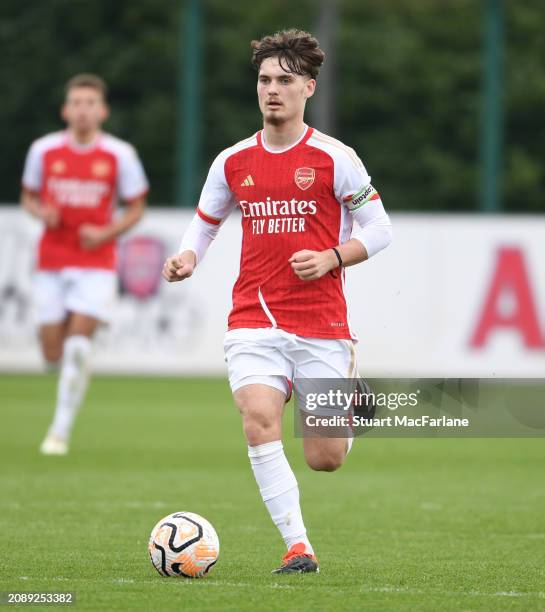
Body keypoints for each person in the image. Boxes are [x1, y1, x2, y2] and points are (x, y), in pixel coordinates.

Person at [163, 29, 392, 573]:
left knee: (325, 459)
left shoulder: (337, 159)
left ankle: (351, 399)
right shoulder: (232, 161)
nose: (272, 90)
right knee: (258, 418)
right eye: (265, 80)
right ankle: (298, 546)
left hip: (320, 322)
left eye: (285, 81)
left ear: (309, 87)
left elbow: (380, 229)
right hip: (253, 318)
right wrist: (188, 258)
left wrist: (334, 257)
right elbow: (205, 223)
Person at [21, 74, 148, 455]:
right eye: (76, 102)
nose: (83, 110)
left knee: (78, 346)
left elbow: (136, 205)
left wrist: (108, 231)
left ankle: (58, 433)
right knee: (52, 353)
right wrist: (40, 211)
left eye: (90, 103)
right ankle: (73, 359)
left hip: (96, 261)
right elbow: (27, 196)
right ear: (65, 109)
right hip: (52, 261)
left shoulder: (119, 154)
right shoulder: (43, 151)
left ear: (103, 111)